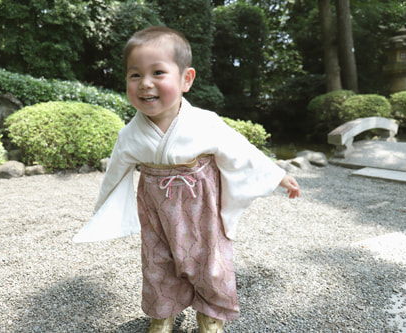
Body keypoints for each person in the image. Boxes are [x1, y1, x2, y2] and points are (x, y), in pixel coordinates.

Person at [73, 26, 300, 333]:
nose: (145, 84)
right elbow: (115, 173)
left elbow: (240, 150)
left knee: (209, 261)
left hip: (201, 205)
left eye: (158, 72)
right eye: (135, 75)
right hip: (156, 210)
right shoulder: (130, 134)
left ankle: (210, 315)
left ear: (186, 79)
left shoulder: (204, 122)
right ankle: (163, 314)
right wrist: (102, 211)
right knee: (158, 262)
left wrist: (277, 175)